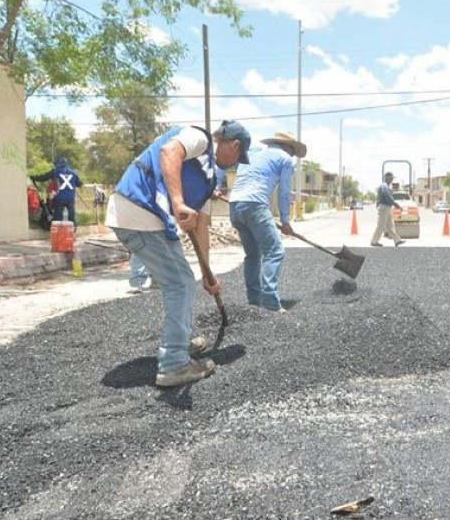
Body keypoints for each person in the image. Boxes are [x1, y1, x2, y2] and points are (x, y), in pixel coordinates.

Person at [106, 119, 251, 387]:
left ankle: (180, 344)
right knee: (181, 283)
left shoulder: (209, 178)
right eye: (238, 158)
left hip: (148, 218)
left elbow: (201, 227)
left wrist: (207, 272)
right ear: (234, 144)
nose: (235, 164)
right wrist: (178, 202)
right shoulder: (200, 138)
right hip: (139, 210)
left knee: (184, 278)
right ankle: (173, 364)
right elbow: (169, 152)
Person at [228, 130, 307, 312]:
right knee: (275, 251)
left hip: (234, 205)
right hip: (255, 205)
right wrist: (285, 221)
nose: (293, 155)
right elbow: (284, 193)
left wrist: (216, 186)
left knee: (253, 254)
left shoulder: (253, 152)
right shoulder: (285, 159)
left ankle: (254, 300)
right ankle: (270, 301)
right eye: (293, 150)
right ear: (287, 146)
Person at [31, 156, 83, 225]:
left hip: (59, 197)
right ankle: (72, 229)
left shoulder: (55, 171)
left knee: (58, 216)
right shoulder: (73, 173)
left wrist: (33, 177)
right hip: (70, 198)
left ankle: (58, 231)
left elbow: (43, 177)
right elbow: (80, 184)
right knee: (71, 215)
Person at [371, 172, 404, 247]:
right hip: (384, 207)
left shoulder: (387, 186)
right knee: (381, 225)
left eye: (392, 178)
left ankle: (397, 241)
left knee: (390, 226)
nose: (391, 179)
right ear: (386, 177)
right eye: (390, 177)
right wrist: (395, 204)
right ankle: (374, 241)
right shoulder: (384, 186)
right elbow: (387, 196)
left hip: (387, 208)